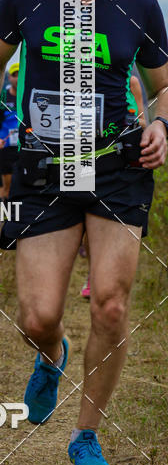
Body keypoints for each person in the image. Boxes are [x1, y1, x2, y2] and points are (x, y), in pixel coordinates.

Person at [0, 0, 168, 465]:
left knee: (109, 304)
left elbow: (164, 85)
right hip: (44, 166)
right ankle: (51, 354)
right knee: (38, 316)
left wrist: (163, 126)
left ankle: (86, 435)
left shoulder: (140, 2)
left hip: (117, 165)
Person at [80, 74, 147, 300]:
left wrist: (135, 128)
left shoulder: (133, 84)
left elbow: (142, 120)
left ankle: (109, 279)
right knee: (89, 221)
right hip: (86, 156)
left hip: (121, 163)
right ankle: (92, 274)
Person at [0, 62, 20, 203]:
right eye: (15, 75)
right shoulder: (2, 98)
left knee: (21, 184)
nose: (18, 78)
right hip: (5, 146)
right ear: (9, 78)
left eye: (21, 75)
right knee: (5, 186)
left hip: (23, 147)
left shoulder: (27, 96)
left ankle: (19, 217)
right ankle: (5, 219)